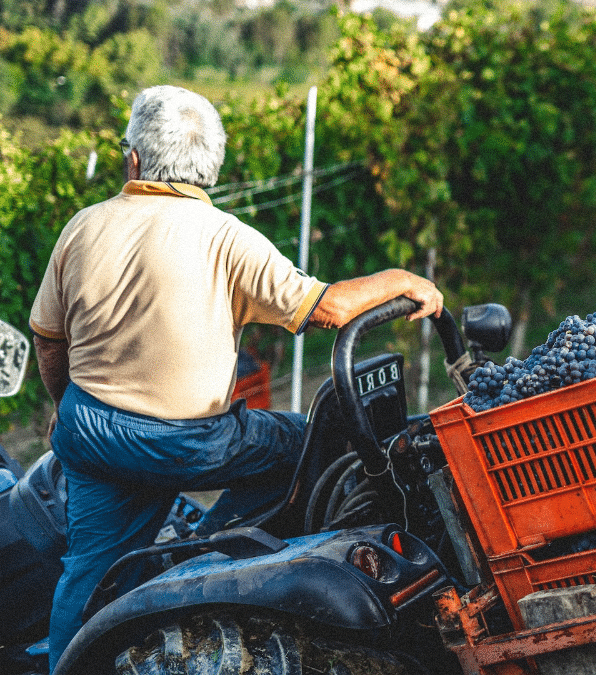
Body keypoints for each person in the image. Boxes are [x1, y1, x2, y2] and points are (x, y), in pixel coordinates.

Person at [28, 84, 444, 672]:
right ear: (211, 169)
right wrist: (402, 279)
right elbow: (325, 309)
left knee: (88, 569)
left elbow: (48, 340)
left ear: (135, 159)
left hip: (93, 433)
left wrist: (64, 406)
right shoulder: (227, 238)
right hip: (189, 442)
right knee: (304, 445)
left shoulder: (83, 227)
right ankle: (218, 557)